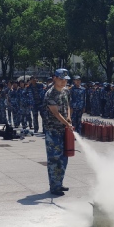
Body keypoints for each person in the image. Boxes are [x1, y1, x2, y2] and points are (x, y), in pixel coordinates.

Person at [44, 68, 73, 196]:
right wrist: (67, 123)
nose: (63, 82)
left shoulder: (65, 91)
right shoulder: (50, 94)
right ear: (54, 78)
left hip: (63, 130)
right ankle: (54, 186)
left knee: (64, 158)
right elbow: (55, 113)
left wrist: (69, 118)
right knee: (54, 159)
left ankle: (59, 183)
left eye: (65, 80)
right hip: (53, 131)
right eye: (61, 79)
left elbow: (67, 105)